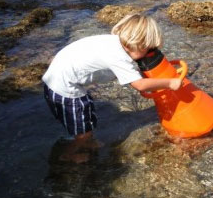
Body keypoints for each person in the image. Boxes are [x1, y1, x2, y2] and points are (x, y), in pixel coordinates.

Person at [42, 13, 182, 163]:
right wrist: (170, 83)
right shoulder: (119, 58)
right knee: (82, 131)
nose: (149, 54)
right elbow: (139, 85)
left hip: (59, 77)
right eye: (148, 49)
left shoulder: (114, 43)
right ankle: (68, 154)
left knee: (87, 116)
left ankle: (87, 140)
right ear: (138, 45)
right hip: (65, 90)